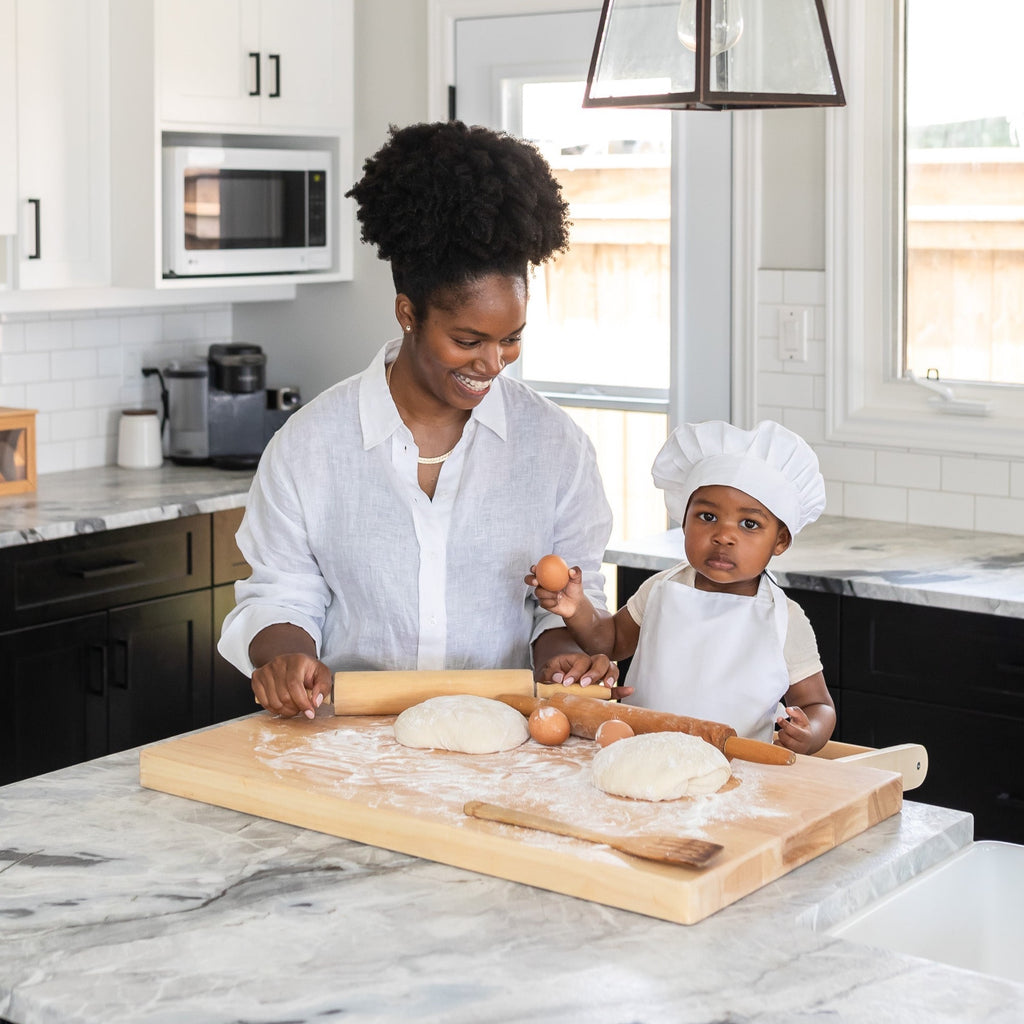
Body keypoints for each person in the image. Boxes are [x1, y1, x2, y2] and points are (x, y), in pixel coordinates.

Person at [219, 120, 618, 719]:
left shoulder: (557, 448)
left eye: (511, 339)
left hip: (506, 738)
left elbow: (557, 607)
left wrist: (560, 655)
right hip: (348, 743)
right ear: (408, 312)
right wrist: (283, 656)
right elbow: (281, 592)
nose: (492, 363)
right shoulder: (310, 446)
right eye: (467, 340)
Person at [528, 420, 836, 754]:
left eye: (749, 524)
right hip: (641, 753)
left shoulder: (784, 619)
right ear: (684, 519)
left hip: (736, 772)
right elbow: (611, 641)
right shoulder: (662, 588)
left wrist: (811, 732)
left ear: (780, 540)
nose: (723, 535)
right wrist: (575, 608)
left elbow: (817, 703)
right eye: (707, 517)